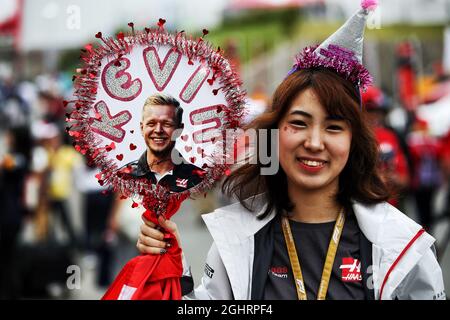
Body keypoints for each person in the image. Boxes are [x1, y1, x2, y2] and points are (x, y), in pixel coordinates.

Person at [135, 1, 445, 300]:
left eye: (334, 127)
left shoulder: (401, 246)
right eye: (298, 123)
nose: (314, 141)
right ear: (274, 134)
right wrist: (171, 268)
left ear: (354, 142)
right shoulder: (239, 237)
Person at [120, 93, 203, 193]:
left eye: (166, 124)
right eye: (151, 123)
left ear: (179, 129)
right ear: (142, 128)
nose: (158, 130)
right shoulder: (121, 178)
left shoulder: (200, 179)